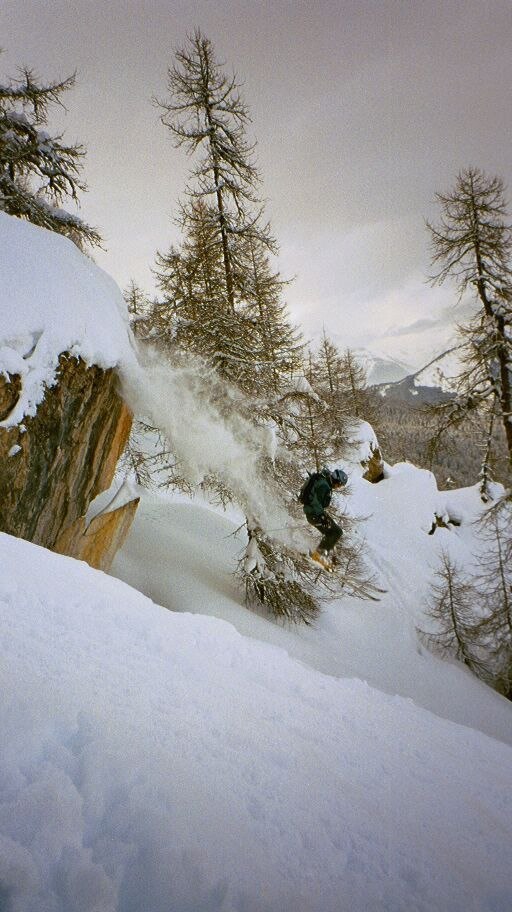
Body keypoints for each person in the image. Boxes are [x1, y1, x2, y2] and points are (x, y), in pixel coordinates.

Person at [301, 467, 348, 566]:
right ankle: (319, 555)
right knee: (336, 532)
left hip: (314, 514)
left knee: (333, 532)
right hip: (315, 514)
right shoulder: (324, 485)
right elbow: (314, 502)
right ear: (336, 480)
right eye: (339, 484)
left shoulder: (323, 481)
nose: (338, 487)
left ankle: (322, 554)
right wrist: (322, 517)